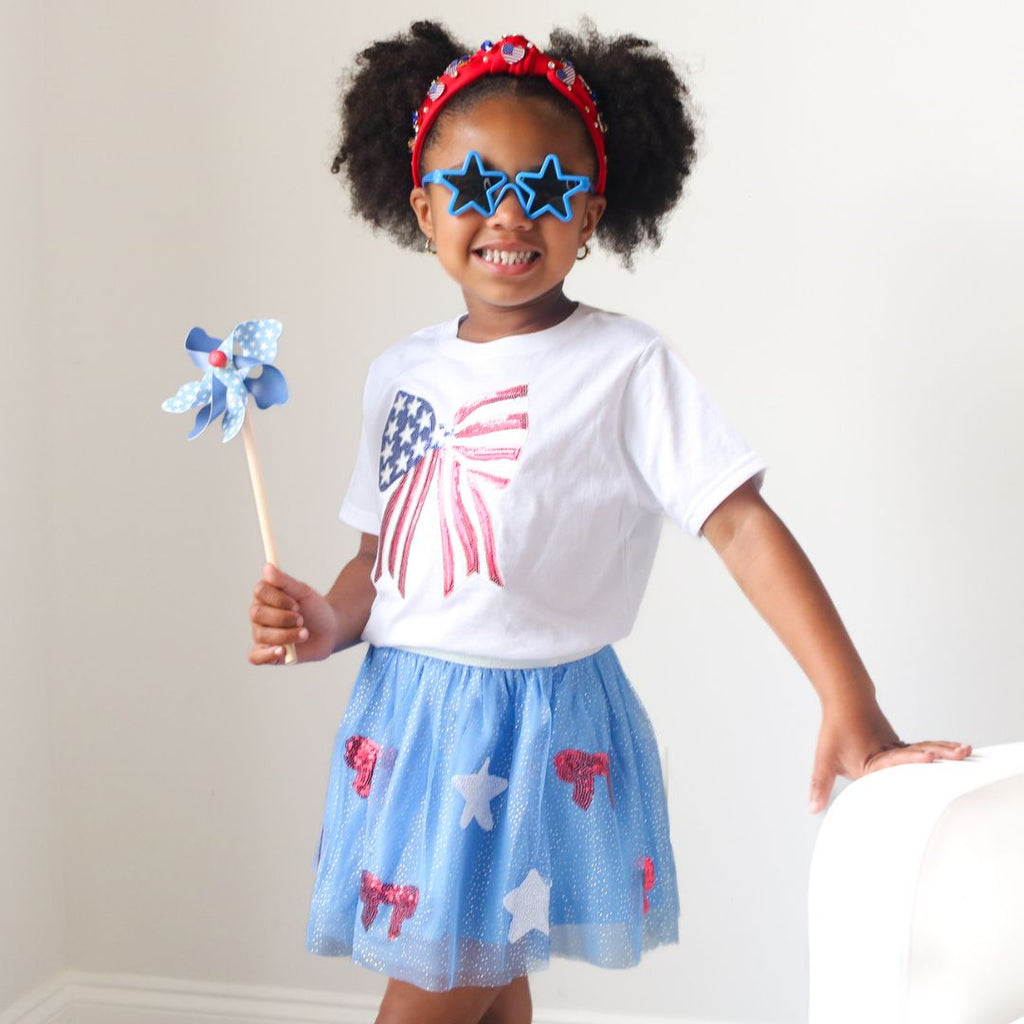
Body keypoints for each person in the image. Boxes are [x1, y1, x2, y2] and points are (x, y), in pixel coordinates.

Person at [248, 21, 971, 1024]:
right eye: (474, 184)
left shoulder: (625, 367)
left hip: (528, 731)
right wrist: (327, 621)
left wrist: (846, 693)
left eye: (546, 188)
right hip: (409, 724)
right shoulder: (399, 372)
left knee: (437, 991)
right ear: (422, 205)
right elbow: (383, 556)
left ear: (590, 213)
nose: (509, 213)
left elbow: (740, 526)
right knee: (485, 987)